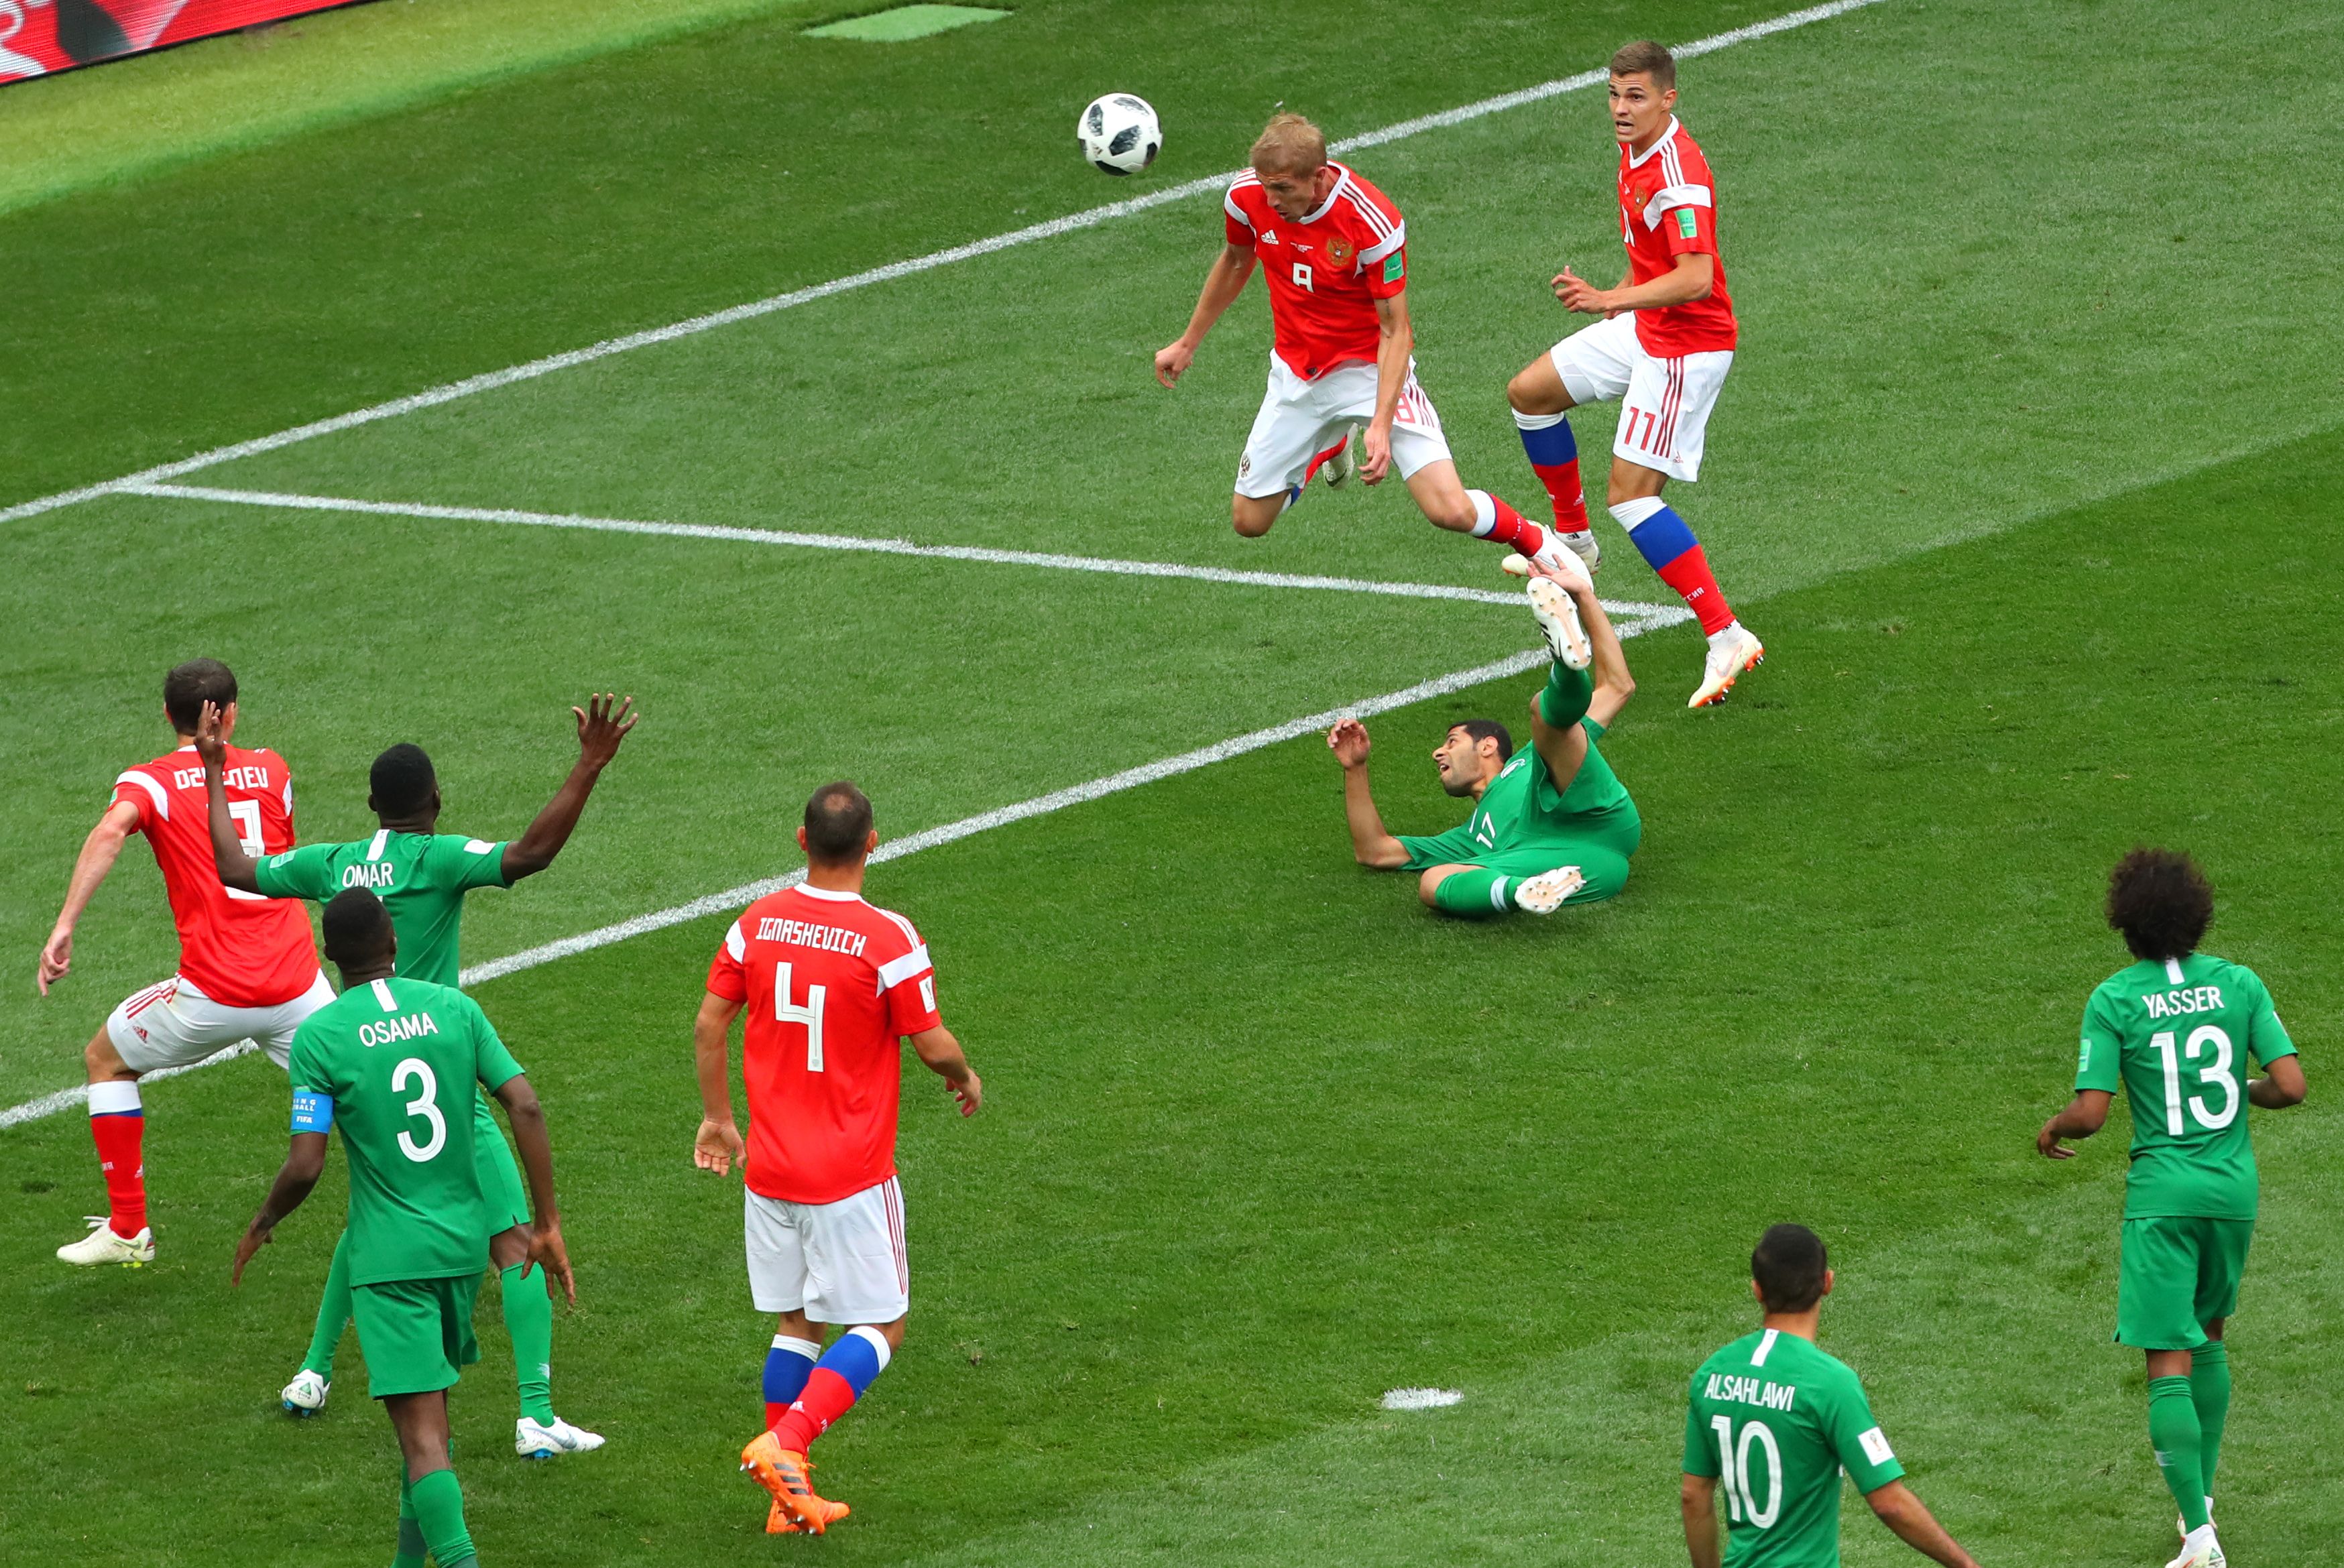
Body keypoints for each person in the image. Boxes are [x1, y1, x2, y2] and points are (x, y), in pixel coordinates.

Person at [199, 695, 634, 1455]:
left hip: (359, 1078)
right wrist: (589, 763)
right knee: (513, 1236)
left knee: (373, 1221)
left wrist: (212, 769)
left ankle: (312, 1369)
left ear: (371, 805)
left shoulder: (334, 864)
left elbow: (235, 866)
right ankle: (535, 1413)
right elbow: (529, 854)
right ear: (434, 800)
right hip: (443, 1075)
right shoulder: (437, 858)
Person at [233, 888, 572, 1568]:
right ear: (393, 940)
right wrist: (547, 1220)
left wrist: (265, 1218)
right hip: (459, 1252)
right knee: (427, 1432)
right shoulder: (454, 1008)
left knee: (422, 1439)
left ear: (330, 957)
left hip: (390, 1264)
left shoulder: (321, 1037)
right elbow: (525, 1105)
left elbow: (306, 1163)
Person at [693, 781, 982, 1534]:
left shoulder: (756, 923)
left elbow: (710, 1019)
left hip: (770, 1170)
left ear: (800, 840)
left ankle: (785, 1500)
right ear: (873, 842)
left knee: (797, 1320)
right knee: (883, 1325)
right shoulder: (887, 935)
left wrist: (720, 1118)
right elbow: (930, 1040)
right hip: (849, 1175)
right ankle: (786, 1442)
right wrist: (964, 1075)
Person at [2037, 849, 2304, 1568]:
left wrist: (2053, 1126)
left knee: (2167, 1361)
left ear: (2123, 921)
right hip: (2231, 1194)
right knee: (2210, 1334)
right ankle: (2204, 1499)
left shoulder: (2114, 998)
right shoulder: (2239, 984)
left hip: (2162, 1199)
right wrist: (2244, 1092)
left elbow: (2092, 1114)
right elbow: (2291, 1083)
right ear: (2198, 914)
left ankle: (2197, 1537)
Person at [1156, 110, 1570, 575]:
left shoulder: (1370, 221)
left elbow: (1397, 330)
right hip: (1297, 372)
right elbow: (1236, 259)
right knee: (1249, 522)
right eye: (1267, 186)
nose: (1271, 200)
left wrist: (1380, 420)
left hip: (1369, 372)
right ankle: (1329, 444)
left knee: (1449, 510)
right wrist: (1188, 342)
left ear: (1317, 176)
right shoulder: (1246, 196)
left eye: (1284, 189)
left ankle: (1538, 541)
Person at [39, 658, 331, 1266]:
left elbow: (110, 833)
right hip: (300, 985)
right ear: (229, 713)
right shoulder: (274, 769)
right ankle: (482, 1221)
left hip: (216, 995)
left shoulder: (149, 782)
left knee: (105, 1059)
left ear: (166, 715)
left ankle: (129, 1227)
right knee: (373, 1092)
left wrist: (65, 924)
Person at [1504, 40, 1765, 708]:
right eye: (1614, 95)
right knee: (1530, 393)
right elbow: (1652, 260)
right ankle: (1574, 543)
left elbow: (1697, 276)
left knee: (1632, 494)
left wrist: (1607, 300)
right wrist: (1622, 297)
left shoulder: (1676, 172)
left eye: (1636, 97)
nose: (1621, 110)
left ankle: (1725, 632)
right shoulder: (1637, 146)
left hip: (1687, 344)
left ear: (1668, 98)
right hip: (1647, 326)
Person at [1329, 556, 1639, 916]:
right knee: (1432, 881)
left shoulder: (1527, 760)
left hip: (1594, 816)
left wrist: (1584, 594)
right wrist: (1355, 769)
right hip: (1587, 868)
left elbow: (1618, 687)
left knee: (1544, 716)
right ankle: (1521, 893)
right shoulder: (1471, 836)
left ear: (1488, 746)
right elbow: (1374, 851)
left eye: (1452, 741)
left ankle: (1566, 666)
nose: (1437, 753)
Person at [1684, 1224, 1982, 1568]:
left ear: (1757, 1290)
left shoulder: (1712, 1373)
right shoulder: (1829, 1383)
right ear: (1827, 1282)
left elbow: (1694, 1496)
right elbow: (1890, 1503)